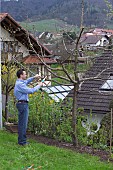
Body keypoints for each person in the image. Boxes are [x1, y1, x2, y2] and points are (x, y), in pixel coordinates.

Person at [14, 69, 44, 146]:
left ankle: (21, 141)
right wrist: (39, 85)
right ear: (21, 75)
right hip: (23, 105)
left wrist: (34, 77)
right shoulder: (20, 85)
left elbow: (27, 81)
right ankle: (22, 142)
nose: (26, 75)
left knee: (22, 124)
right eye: (25, 74)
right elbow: (31, 90)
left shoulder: (20, 82)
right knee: (23, 124)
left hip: (22, 104)